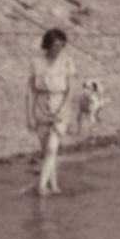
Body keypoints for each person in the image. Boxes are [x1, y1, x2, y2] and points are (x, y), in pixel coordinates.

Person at [26, 27, 76, 195]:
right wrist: (29, 116)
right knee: (46, 151)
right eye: (55, 46)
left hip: (59, 105)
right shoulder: (36, 62)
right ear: (47, 45)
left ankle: (40, 187)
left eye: (61, 46)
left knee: (52, 149)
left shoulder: (67, 62)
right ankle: (52, 185)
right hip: (40, 106)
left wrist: (62, 109)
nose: (58, 50)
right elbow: (29, 91)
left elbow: (70, 90)